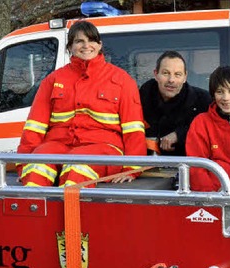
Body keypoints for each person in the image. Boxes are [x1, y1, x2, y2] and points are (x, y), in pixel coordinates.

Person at [17, 20, 146, 188]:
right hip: (58, 145)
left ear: (100, 45)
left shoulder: (121, 80)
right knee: (35, 170)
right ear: (70, 47)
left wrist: (132, 168)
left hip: (103, 147)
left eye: (91, 40)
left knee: (77, 170)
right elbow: (35, 126)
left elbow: (133, 128)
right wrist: (23, 163)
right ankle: (36, 212)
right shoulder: (53, 80)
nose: (86, 46)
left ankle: (71, 214)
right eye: (79, 41)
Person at [139, 51, 212, 156]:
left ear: (185, 77)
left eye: (177, 74)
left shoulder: (203, 100)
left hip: (190, 167)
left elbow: (213, 130)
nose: (171, 80)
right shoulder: (139, 99)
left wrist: (179, 135)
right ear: (156, 74)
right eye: (166, 73)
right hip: (146, 167)